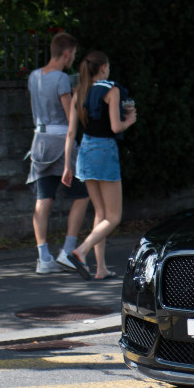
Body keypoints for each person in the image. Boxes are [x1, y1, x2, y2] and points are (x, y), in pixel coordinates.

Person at [61, 51, 137, 280]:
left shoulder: (80, 92)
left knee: (100, 212)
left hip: (85, 150)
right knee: (114, 217)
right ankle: (80, 251)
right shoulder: (111, 90)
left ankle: (100, 268)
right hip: (105, 151)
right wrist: (130, 121)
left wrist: (67, 166)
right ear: (103, 67)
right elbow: (115, 127)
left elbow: (71, 132)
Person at [27, 32, 90, 275]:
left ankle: (43, 256)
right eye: (72, 54)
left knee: (43, 199)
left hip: (39, 142)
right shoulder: (62, 79)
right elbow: (69, 115)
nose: (72, 58)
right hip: (61, 142)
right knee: (81, 195)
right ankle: (67, 251)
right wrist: (77, 98)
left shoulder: (34, 77)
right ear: (66, 53)